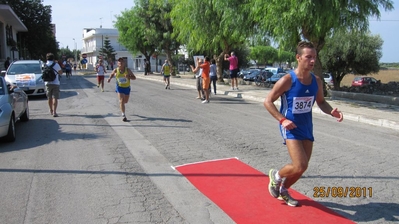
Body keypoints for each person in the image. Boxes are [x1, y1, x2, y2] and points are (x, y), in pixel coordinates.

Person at [264, 41, 344, 207]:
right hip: (290, 127)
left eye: (314, 57)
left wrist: (331, 111)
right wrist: (282, 119)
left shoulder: (317, 81)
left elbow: (321, 102)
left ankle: (284, 190)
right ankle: (276, 176)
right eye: (308, 57)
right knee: (300, 163)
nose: (312, 61)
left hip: (307, 127)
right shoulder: (287, 80)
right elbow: (268, 101)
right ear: (298, 58)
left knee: (302, 168)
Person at [107, 57, 136, 122]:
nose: (120, 63)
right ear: (118, 63)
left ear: (124, 63)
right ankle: (123, 115)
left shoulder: (127, 70)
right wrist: (109, 79)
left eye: (122, 62)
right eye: (119, 62)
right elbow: (112, 74)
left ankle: (122, 107)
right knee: (122, 100)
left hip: (127, 87)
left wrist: (129, 76)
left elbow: (134, 78)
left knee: (125, 101)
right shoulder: (116, 70)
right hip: (119, 87)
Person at [44, 53, 63, 117]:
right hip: (55, 83)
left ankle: (51, 110)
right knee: (55, 97)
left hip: (47, 83)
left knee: (49, 98)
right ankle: (55, 112)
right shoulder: (56, 64)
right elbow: (61, 72)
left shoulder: (44, 64)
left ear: (46, 58)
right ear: (53, 58)